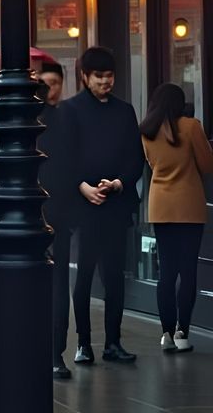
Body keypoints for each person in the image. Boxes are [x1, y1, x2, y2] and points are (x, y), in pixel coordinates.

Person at [47, 46, 144, 366]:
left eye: (110, 76)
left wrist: (118, 183)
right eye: (99, 76)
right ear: (85, 77)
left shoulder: (125, 111)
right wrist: (83, 187)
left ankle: (113, 342)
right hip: (84, 205)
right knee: (85, 274)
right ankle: (83, 343)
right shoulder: (69, 110)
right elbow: (64, 157)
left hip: (116, 203)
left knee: (115, 275)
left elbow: (135, 156)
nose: (105, 82)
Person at [140, 84, 212, 355]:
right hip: (189, 207)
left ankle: (166, 333)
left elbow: (151, 164)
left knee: (166, 273)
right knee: (187, 271)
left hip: (160, 207)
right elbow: (207, 164)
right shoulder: (191, 127)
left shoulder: (147, 131)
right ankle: (183, 332)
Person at [36, 62, 78, 378]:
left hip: (56, 210)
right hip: (39, 210)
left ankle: (53, 351)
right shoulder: (37, 121)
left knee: (57, 281)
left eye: (55, 83)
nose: (51, 90)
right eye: (45, 84)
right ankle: (48, 351)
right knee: (48, 282)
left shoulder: (65, 118)